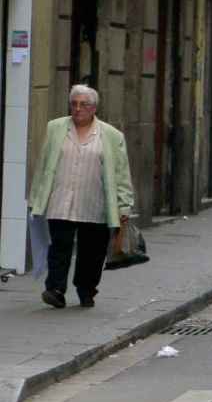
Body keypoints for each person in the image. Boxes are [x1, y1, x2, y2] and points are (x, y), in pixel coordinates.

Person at [30, 85, 135, 309]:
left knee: (92, 252)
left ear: (94, 108)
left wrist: (124, 206)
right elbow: (44, 165)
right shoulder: (56, 128)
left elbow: (121, 173)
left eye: (83, 104)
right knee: (59, 246)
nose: (77, 109)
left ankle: (86, 289)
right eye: (74, 104)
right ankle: (55, 289)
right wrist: (37, 197)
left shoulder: (111, 135)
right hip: (61, 200)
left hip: (94, 203)